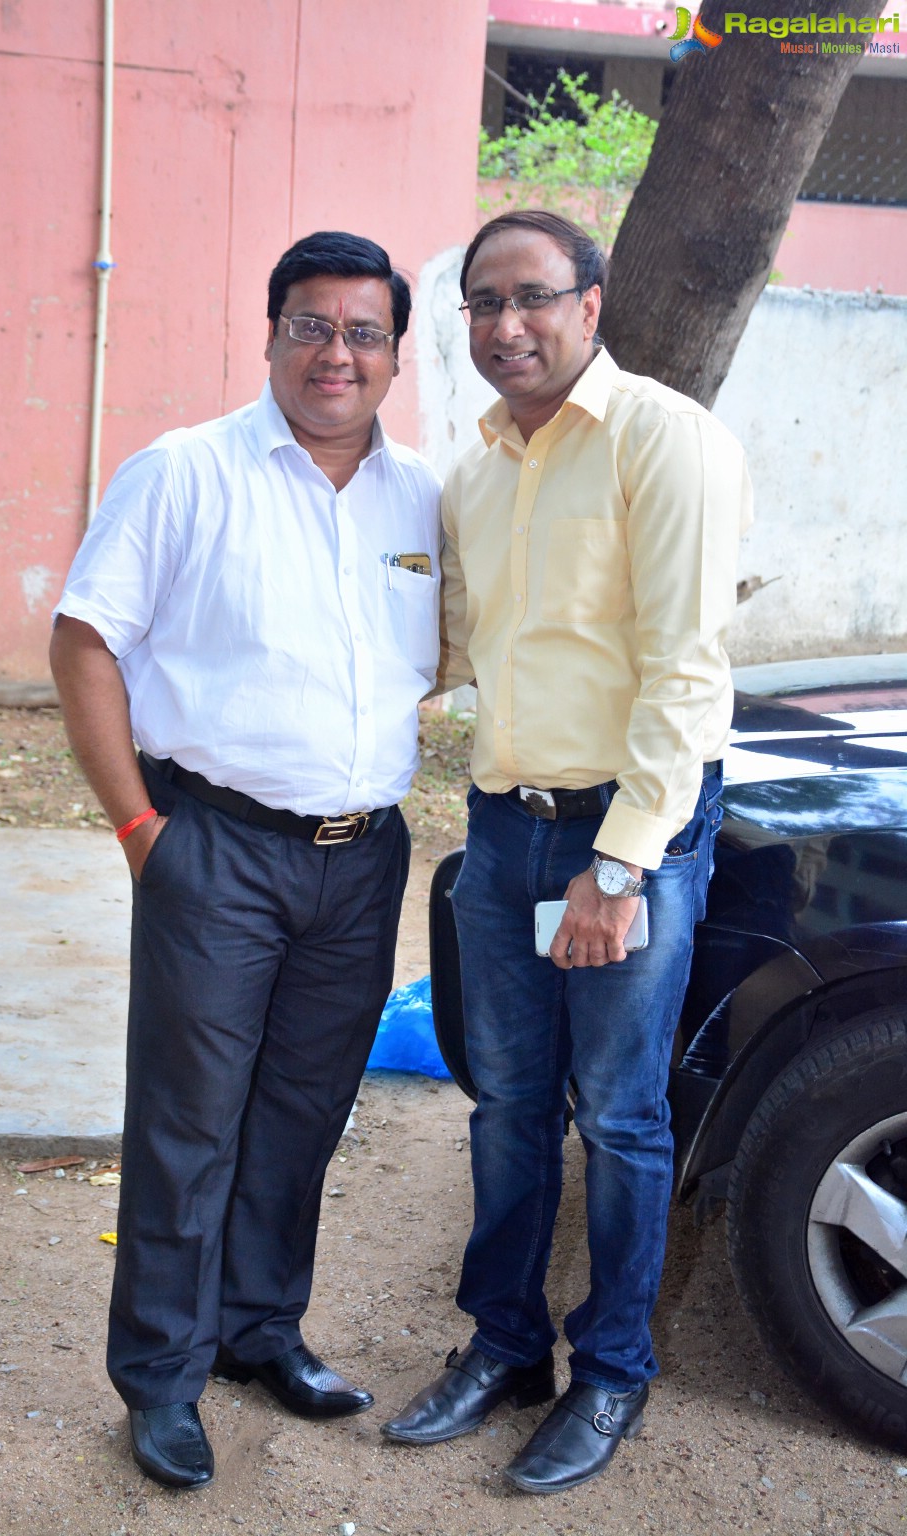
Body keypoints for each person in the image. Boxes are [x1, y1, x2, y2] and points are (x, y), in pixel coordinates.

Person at [49, 231, 441, 1491]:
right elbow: (84, 641)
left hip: (359, 858)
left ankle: (258, 1332)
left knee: (302, 1115)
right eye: (311, 326)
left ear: (394, 354)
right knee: (187, 1124)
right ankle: (160, 1380)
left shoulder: (422, 499)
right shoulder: (184, 472)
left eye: (363, 332)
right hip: (209, 848)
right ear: (270, 334)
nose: (338, 353)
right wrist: (138, 832)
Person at [381, 211, 752, 1493]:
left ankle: (609, 1376)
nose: (504, 326)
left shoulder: (668, 441)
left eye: (531, 298)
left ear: (590, 306)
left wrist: (620, 866)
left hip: (624, 834)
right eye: (481, 304)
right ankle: (502, 1349)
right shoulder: (473, 471)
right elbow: (449, 650)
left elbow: (685, 675)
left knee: (624, 1113)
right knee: (507, 1103)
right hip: (503, 827)